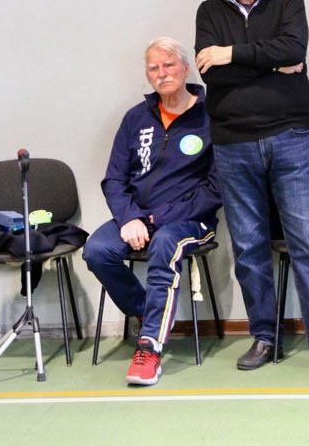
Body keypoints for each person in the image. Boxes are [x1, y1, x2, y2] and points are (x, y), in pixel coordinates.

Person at [194, 0, 309, 377]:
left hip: (289, 137)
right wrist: (272, 64)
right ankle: (265, 336)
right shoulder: (209, 11)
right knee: (248, 248)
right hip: (233, 145)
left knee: (308, 244)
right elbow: (211, 74)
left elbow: (294, 48)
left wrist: (231, 54)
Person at [83, 36, 222, 386]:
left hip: (190, 221)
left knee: (164, 245)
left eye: (168, 65)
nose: (162, 73)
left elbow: (217, 188)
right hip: (137, 216)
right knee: (97, 250)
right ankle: (148, 313)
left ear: (185, 69)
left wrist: (158, 219)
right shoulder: (136, 118)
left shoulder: (212, 116)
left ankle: (149, 348)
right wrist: (129, 217)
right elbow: (114, 179)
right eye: (154, 68)